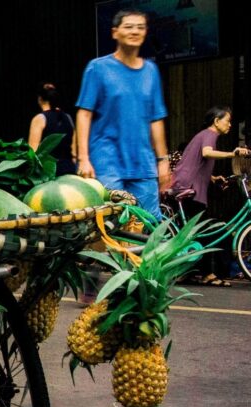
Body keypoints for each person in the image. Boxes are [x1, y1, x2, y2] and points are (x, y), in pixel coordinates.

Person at [76, 10, 169, 220]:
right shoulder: (98, 68)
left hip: (143, 163)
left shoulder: (150, 71)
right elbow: (84, 114)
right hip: (106, 160)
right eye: (128, 26)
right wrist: (84, 158)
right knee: (112, 222)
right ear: (115, 33)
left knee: (150, 221)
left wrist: (163, 160)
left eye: (140, 27)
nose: (134, 31)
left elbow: (156, 119)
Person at [170, 106, 250, 286]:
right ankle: (207, 274)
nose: (229, 124)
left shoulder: (203, 135)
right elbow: (206, 153)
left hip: (186, 186)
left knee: (196, 233)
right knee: (205, 233)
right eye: (227, 120)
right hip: (189, 189)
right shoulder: (209, 135)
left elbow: (196, 162)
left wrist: (213, 178)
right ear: (216, 121)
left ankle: (190, 272)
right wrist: (233, 153)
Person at [28, 83, 77, 176]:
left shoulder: (39, 119)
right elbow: (74, 152)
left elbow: (33, 153)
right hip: (69, 170)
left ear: (40, 99)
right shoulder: (68, 117)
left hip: (48, 172)